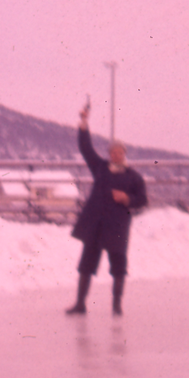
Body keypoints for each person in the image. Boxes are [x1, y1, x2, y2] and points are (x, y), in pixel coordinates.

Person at [65, 102, 147, 316]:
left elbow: (143, 200)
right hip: (96, 226)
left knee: (118, 267)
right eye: (112, 152)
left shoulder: (133, 176)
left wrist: (127, 198)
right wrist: (84, 122)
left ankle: (117, 306)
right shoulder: (100, 168)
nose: (115, 155)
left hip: (117, 228)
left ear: (124, 154)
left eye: (119, 152)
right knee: (85, 266)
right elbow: (86, 149)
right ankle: (80, 304)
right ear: (109, 153)